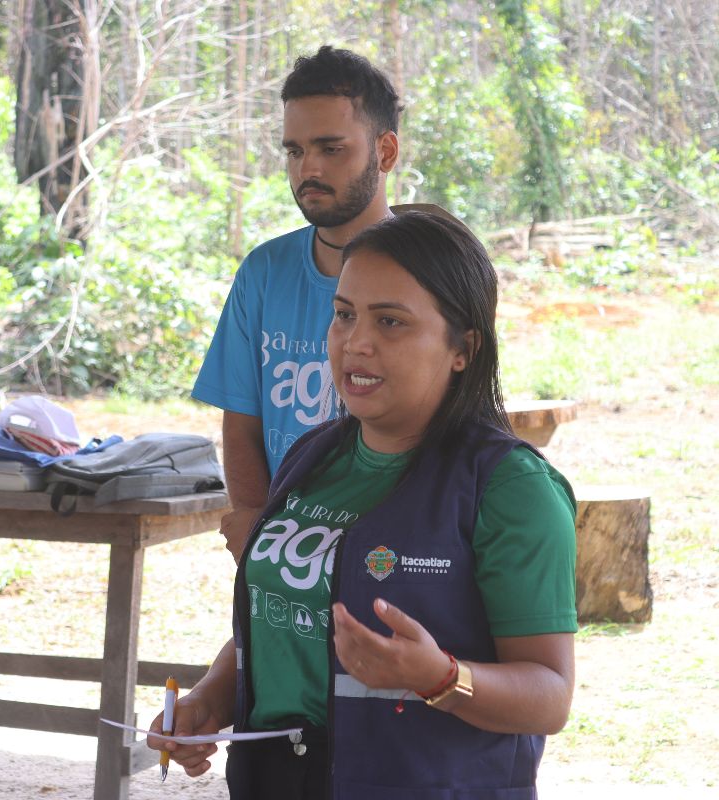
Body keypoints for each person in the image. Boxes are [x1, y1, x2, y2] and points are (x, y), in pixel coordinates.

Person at [151, 212, 577, 798]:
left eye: (391, 322)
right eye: (344, 314)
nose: (357, 342)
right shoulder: (311, 457)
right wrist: (208, 699)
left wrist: (443, 679)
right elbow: (285, 614)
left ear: (463, 348)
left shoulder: (510, 487)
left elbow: (550, 696)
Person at [191, 45, 404, 560]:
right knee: (240, 649)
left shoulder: (428, 275)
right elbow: (241, 423)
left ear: (385, 153)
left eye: (331, 149)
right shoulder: (262, 274)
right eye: (294, 151)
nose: (307, 169)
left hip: (391, 551)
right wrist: (255, 532)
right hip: (281, 548)